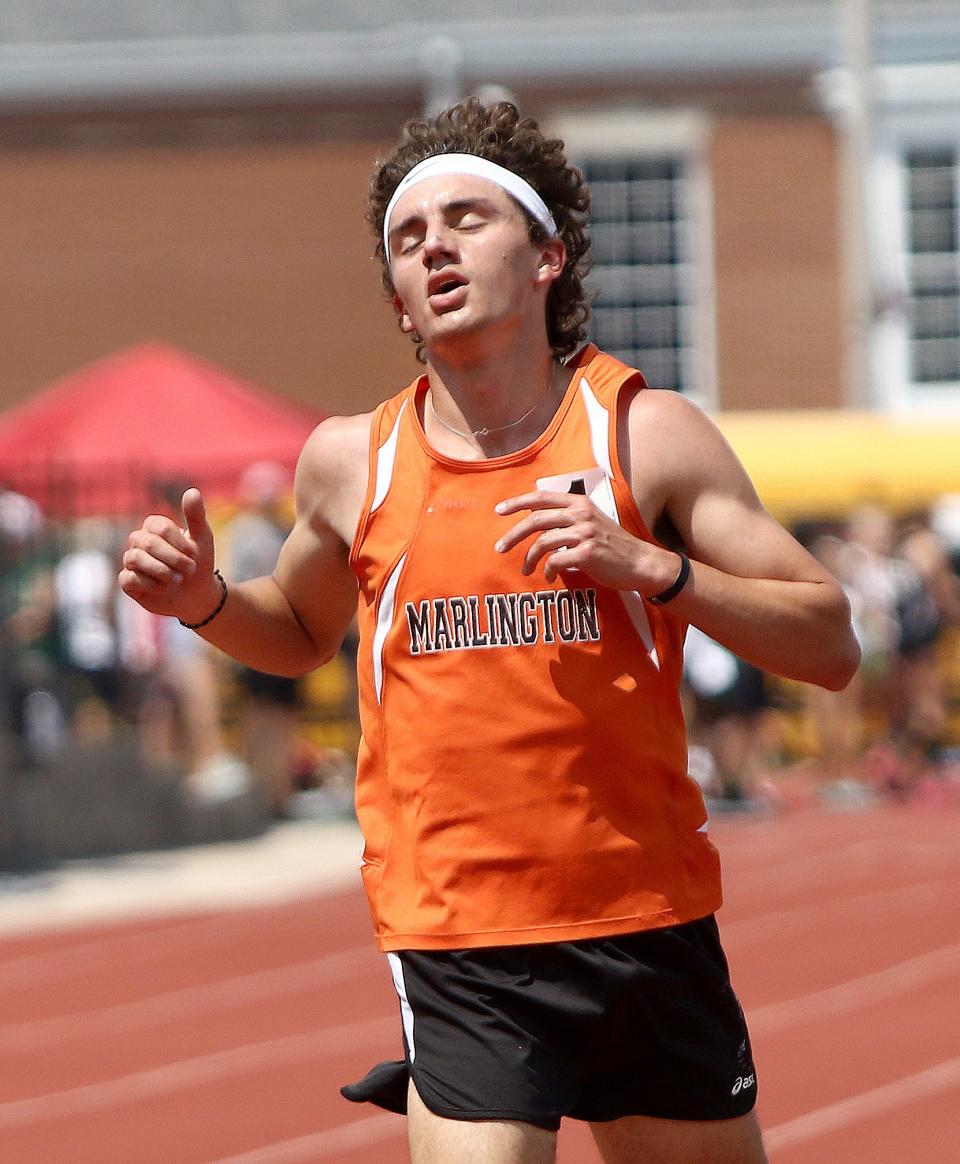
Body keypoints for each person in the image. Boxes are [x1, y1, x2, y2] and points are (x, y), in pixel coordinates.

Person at [119, 100, 860, 1164]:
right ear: (399, 303)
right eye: (410, 241)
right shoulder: (351, 461)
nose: (436, 249)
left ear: (547, 253)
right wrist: (207, 604)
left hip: (644, 922)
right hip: (461, 940)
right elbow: (298, 631)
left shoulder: (641, 434)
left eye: (467, 220)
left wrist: (653, 569)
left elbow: (830, 642)